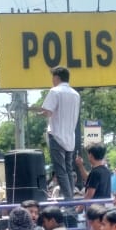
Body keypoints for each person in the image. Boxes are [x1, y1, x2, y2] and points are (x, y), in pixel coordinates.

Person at [34, 65, 81, 200]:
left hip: (56, 135)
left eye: (53, 77)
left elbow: (48, 111)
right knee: (68, 170)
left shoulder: (55, 91)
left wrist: (38, 113)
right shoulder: (75, 94)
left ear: (57, 77)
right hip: (70, 137)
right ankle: (70, 197)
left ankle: (69, 200)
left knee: (60, 172)